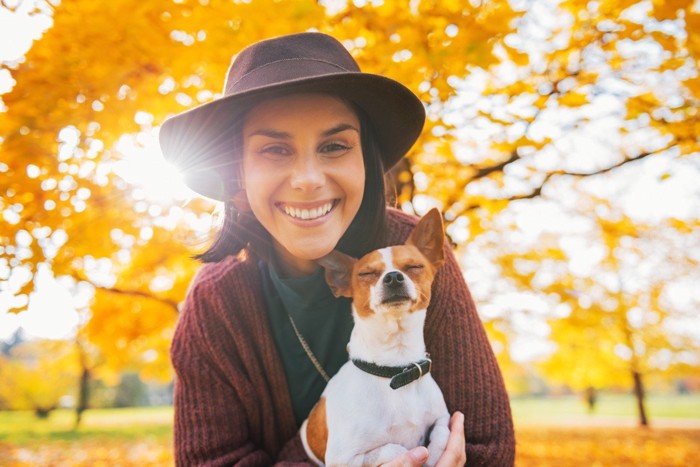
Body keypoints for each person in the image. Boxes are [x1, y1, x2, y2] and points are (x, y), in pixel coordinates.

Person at [159, 32, 515, 466]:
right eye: (274, 149)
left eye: (334, 146)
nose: (308, 178)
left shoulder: (412, 260)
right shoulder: (215, 303)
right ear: (237, 175)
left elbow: (486, 448)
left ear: (366, 160)